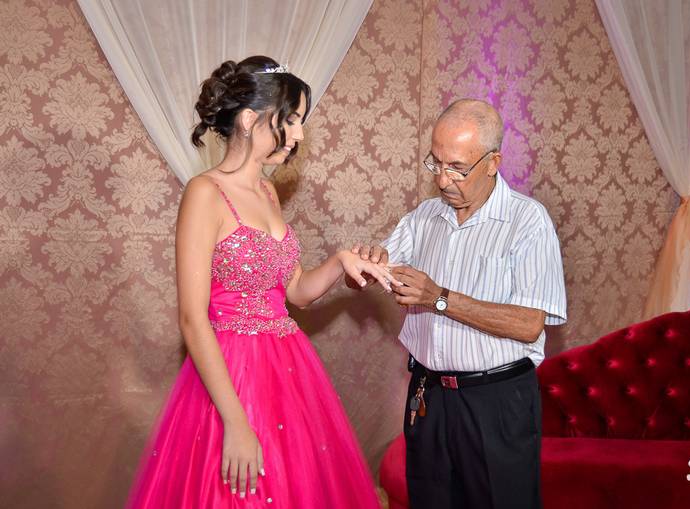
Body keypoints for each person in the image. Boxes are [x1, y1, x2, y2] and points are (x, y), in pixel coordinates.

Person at [127, 56, 395, 509]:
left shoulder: (267, 192)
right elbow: (193, 319)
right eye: (291, 120)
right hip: (231, 375)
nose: (300, 134)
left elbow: (294, 292)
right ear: (251, 120)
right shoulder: (205, 193)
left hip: (287, 370)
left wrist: (340, 262)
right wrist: (234, 422)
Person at [356, 99, 567, 509]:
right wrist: (364, 266)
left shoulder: (528, 221)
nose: (442, 180)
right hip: (428, 398)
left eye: (456, 167)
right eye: (435, 163)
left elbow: (529, 324)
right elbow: (375, 270)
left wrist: (439, 298)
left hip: (496, 402)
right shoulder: (425, 217)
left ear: (492, 163)